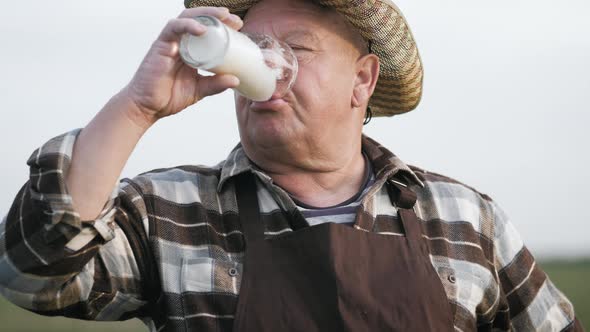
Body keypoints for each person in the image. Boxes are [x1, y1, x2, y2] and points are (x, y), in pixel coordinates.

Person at [0, 0, 583, 331]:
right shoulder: (168, 210)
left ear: (362, 80)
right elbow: (32, 274)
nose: (267, 68)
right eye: (252, 49)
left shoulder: (465, 217)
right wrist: (135, 107)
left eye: (296, 50)